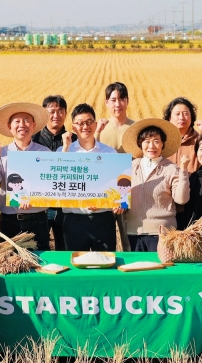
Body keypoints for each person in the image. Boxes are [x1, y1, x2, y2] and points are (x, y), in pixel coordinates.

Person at [0, 102, 51, 250]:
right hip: (10, 221)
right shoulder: (2, 152)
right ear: (10, 126)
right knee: (11, 264)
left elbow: (47, 184)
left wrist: (34, 200)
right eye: (17, 121)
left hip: (38, 220)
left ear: (33, 125)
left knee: (40, 263)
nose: (22, 125)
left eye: (27, 120)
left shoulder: (44, 153)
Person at [120, 118, 190, 252]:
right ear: (140, 144)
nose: (151, 146)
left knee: (160, 272)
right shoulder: (130, 166)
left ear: (163, 144)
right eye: (147, 141)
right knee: (135, 271)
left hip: (162, 234)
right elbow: (120, 196)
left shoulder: (171, 169)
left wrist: (183, 170)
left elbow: (181, 199)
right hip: (133, 232)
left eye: (156, 141)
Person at [57, 103, 118, 251]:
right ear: (73, 127)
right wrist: (65, 148)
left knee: (106, 264)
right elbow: (57, 180)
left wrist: (103, 201)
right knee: (75, 266)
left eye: (89, 122)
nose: (85, 126)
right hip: (74, 220)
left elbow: (116, 187)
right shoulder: (63, 151)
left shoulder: (110, 153)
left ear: (96, 124)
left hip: (103, 219)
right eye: (80, 123)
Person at [32, 95, 76, 251]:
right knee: (40, 249)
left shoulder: (75, 141)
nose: (56, 115)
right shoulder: (33, 140)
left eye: (60, 111)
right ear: (44, 113)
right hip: (41, 207)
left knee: (65, 250)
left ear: (65, 113)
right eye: (52, 111)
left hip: (67, 207)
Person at [95, 82, 134, 251]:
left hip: (130, 189)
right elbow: (91, 156)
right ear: (106, 103)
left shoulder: (135, 128)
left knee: (129, 239)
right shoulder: (99, 128)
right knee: (103, 240)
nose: (117, 104)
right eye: (113, 100)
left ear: (127, 101)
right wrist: (96, 132)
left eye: (121, 99)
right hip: (104, 190)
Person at [162, 96, 202, 229]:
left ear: (192, 118)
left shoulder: (200, 141)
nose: (181, 117)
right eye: (177, 114)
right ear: (169, 118)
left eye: (186, 113)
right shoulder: (161, 142)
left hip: (193, 206)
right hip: (165, 208)